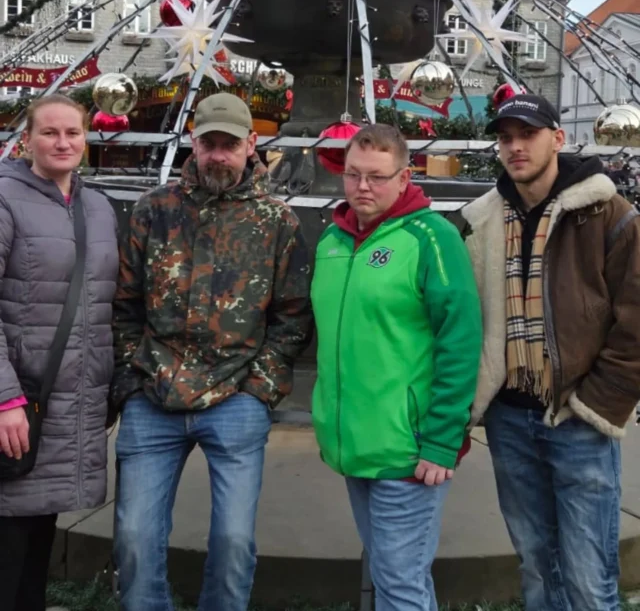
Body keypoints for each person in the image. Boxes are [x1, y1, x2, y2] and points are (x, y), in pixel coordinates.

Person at [112, 92, 313, 611]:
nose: (218, 155)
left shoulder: (276, 222)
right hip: (153, 396)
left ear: (251, 145)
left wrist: (259, 387)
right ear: (193, 144)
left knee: (234, 543)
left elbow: (293, 315)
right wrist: (135, 373)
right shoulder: (153, 211)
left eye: (229, 144)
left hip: (236, 398)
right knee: (134, 537)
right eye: (209, 144)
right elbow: (125, 303)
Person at [461, 93, 640, 611]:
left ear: (558, 139)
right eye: (506, 137)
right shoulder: (482, 218)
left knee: (588, 579)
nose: (515, 147)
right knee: (537, 565)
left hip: (577, 417)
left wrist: (597, 403)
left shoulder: (607, 215)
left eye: (528, 134)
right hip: (510, 418)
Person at [311, 124, 482, 611]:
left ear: (405, 177)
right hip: (353, 444)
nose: (363, 187)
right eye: (353, 175)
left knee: (399, 583)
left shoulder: (432, 237)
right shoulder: (333, 241)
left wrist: (443, 441)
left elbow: (461, 339)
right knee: (398, 579)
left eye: (377, 177)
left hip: (408, 452)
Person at [0, 93, 119, 611]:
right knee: (8, 533)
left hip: (68, 405)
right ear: (27, 139)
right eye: (49, 132)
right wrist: (4, 398)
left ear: (86, 139)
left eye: (72, 132)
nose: (62, 142)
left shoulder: (96, 206)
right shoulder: (5, 197)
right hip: (19, 400)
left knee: (39, 526)